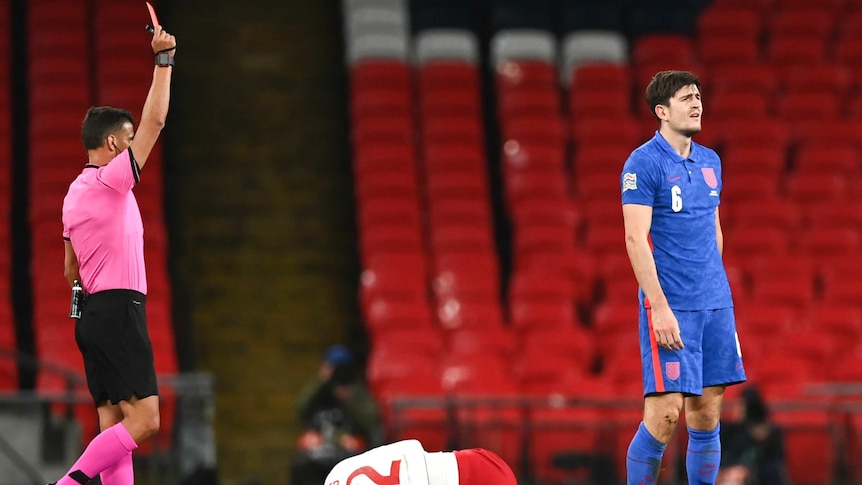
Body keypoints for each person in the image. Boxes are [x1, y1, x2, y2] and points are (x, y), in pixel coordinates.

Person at [53, 24, 176, 485]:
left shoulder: (72, 195)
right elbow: (156, 122)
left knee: (114, 429)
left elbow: (70, 270)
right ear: (110, 144)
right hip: (121, 309)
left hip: (91, 317)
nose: (132, 147)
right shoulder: (111, 181)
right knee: (145, 421)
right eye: (126, 141)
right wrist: (163, 61)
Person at [620, 70, 747, 485]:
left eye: (698, 97)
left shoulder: (711, 161)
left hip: (715, 303)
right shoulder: (643, 162)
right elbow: (635, 238)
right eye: (686, 98)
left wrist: (715, 288)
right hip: (671, 306)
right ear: (662, 111)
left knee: (708, 413)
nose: (697, 104)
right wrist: (658, 307)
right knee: (665, 415)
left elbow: (714, 230)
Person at [291, 345, 383, 485]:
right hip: (318, 453)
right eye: (335, 368)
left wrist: (348, 397)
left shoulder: (358, 393)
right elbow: (301, 410)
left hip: (350, 453)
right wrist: (322, 381)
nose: (339, 374)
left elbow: (371, 421)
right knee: (301, 466)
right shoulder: (319, 392)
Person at [323, 439, 518, 485]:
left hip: (478, 474)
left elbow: (409, 453)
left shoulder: (338, 474)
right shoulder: (337, 473)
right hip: (479, 464)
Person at [717, 386, 788, 485]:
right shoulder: (730, 430)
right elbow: (724, 456)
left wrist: (746, 470)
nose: (737, 409)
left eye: (741, 405)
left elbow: (773, 464)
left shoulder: (771, 433)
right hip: (728, 474)